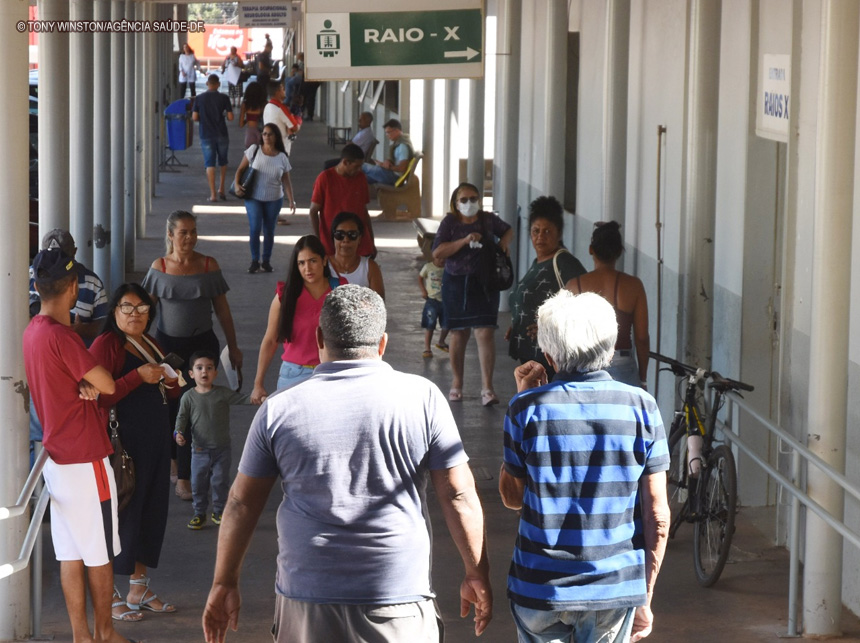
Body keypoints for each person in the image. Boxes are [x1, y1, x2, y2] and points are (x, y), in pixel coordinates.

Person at [202, 285, 492, 643]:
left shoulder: (279, 408)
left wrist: (224, 581)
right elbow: (459, 494)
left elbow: (241, 503)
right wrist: (476, 573)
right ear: (382, 343)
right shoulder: (424, 398)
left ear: (320, 337)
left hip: (307, 594)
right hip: (398, 593)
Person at [499, 290, 670, 643]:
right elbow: (658, 516)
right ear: (609, 346)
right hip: (612, 587)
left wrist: (523, 395)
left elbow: (512, 498)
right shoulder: (642, 408)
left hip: (540, 587)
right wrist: (644, 595)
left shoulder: (525, 409)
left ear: (548, 354)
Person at [23, 248, 132, 643]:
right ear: (73, 288)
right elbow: (105, 384)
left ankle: (82, 636)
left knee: (70, 553)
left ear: (37, 287)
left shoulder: (32, 332)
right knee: (101, 553)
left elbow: (79, 381)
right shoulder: (63, 337)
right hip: (86, 459)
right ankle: (106, 634)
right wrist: (91, 380)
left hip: (56, 459)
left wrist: (83, 381)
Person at [90, 283, 181, 622]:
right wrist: (135, 377)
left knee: (149, 512)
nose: (135, 315)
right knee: (120, 516)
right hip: (123, 445)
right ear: (114, 311)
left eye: (142, 309)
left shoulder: (150, 343)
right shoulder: (107, 344)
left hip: (154, 443)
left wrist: (170, 383)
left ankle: (138, 587)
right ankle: (109, 595)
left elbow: (169, 394)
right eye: (127, 308)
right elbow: (100, 396)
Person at [142, 210, 243, 501]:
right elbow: (145, 314)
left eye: (193, 232)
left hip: (202, 348)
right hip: (169, 350)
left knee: (201, 408)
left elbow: (222, 311)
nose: (189, 237)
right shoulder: (159, 267)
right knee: (175, 410)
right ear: (171, 235)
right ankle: (179, 466)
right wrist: (142, 352)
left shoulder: (209, 265)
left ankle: (191, 469)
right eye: (183, 232)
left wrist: (233, 347)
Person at [28, 228, 109, 466]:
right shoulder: (32, 276)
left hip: (78, 369)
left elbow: (101, 326)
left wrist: (75, 332)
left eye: (62, 256)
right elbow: (109, 385)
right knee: (40, 432)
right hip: (45, 364)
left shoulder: (91, 281)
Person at [432, 182, 513, 405]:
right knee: (459, 333)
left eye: (474, 198)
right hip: (456, 283)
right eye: (464, 199)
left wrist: (504, 242)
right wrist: (464, 241)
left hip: (484, 283)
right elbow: (438, 251)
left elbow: (507, 229)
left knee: (485, 332)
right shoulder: (450, 222)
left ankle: (487, 387)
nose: (470, 203)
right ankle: (457, 382)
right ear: (456, 203)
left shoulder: (488, 219)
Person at [250, 235, 345, 404]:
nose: (307, 268)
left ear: (324, 261)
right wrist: (258, 383)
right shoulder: (285, 296)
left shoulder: (341, 291)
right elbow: (270, 340)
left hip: (331, 374)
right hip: (293, 375)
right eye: (301, 263)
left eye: (313, 261)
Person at [507, 196, 586, 375]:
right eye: (535, 231)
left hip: (550, 357)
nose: (540, 237)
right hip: (531, 356)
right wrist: (518, 321)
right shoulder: (539, 261)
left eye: (547, 232)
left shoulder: (564, 262)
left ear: (559, 234)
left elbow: (584, 303)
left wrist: (550, 326)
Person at [566, 221, 650, 388]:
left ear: (591, 249)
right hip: (622, 363)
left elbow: (566, 335)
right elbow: (641, 337)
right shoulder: (633, 285)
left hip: (585, 362)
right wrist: (642, 378)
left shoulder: (574, 286)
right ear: (619, 251)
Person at [175, 351, 251, 531]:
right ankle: (199, 513)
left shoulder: (222, 393)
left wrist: (259, 398)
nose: (204, 372)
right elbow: (181, 418)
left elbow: (242, 399)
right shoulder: (189, 397)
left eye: (209, 368)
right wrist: (178, 433)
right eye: (199, 368)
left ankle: (219, 511)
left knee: (220, 481)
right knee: (198, 483)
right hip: (199, 450)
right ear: (191, 374)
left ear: (215, 373)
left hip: (222, 449)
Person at [233, 123, 296, 274]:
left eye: (270, 134)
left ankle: (266, 261)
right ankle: (255, 260)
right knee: (255, 228)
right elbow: (240, 169)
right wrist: (236, 185)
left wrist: (291, 199)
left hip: (274, 199)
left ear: (276, 137)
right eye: (264, 134)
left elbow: (286, 180)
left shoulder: (282, 157)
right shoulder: (254, 151)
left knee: (269, 231)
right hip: (254, 197)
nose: (267, 137)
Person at [310, 143, 377, 258]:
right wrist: (318, 240)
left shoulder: (360, 178)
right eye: (356, 166)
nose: (359, 170)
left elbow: (364, 211)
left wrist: (371, 240)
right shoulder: (325, 178)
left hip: (358, 240)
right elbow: (313, 211)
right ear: (345, 162)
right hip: (332, 241)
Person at [192, 74, 234, 202]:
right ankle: (221, 188)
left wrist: (203, 118)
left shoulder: (199, 99)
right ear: (218, 84)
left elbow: (194, 117)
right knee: (223, 161)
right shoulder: (224, 98)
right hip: (222, 133)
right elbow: (231, 117)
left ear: (207, 84)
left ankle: (213, 194)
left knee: (209, 163)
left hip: (206, 134)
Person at [326, 211, 385, 298]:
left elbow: (379, 305)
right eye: (340, 235)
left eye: (352, 235)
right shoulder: (322, 265)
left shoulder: (370, 268)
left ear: (360, 238)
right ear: (333, 237)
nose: (346, 240)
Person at [362, 118, 414, 186]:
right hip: (392, 175)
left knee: (363, 166)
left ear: (397, 131)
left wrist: (387, 167)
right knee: (363, 177)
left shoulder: (402, 146)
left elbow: (402, 168)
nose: (387, 135)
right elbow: (396, 161)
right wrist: (388, 162)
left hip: (395, 177)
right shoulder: (399, 143)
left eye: (388, 132)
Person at [419, 255, 449, 358]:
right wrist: (423, 290)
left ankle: (441, 341)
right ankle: (427, 349)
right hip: (431, 300)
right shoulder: (428, 267)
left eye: (444, 257)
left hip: (445, 301)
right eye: (439, 257)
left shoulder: (448, 268)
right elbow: (420, 277)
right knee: (430, 325)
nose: (442, 259)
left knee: (447, 324)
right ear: (433, 256)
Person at [263, 81, 300, 157]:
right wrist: (298, 118)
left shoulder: (267, 106)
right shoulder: (281, 108)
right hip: (281, 148)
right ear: (278, 92)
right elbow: (294, 127)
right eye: (283, 89)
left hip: (269, 146)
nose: (284, 91)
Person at [238, 81, 266, 149]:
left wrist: (248, 119)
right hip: (263, 132)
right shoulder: (264, 104)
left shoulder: (245, 105)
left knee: (250, 156)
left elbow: (241, 124)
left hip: (250, 133)